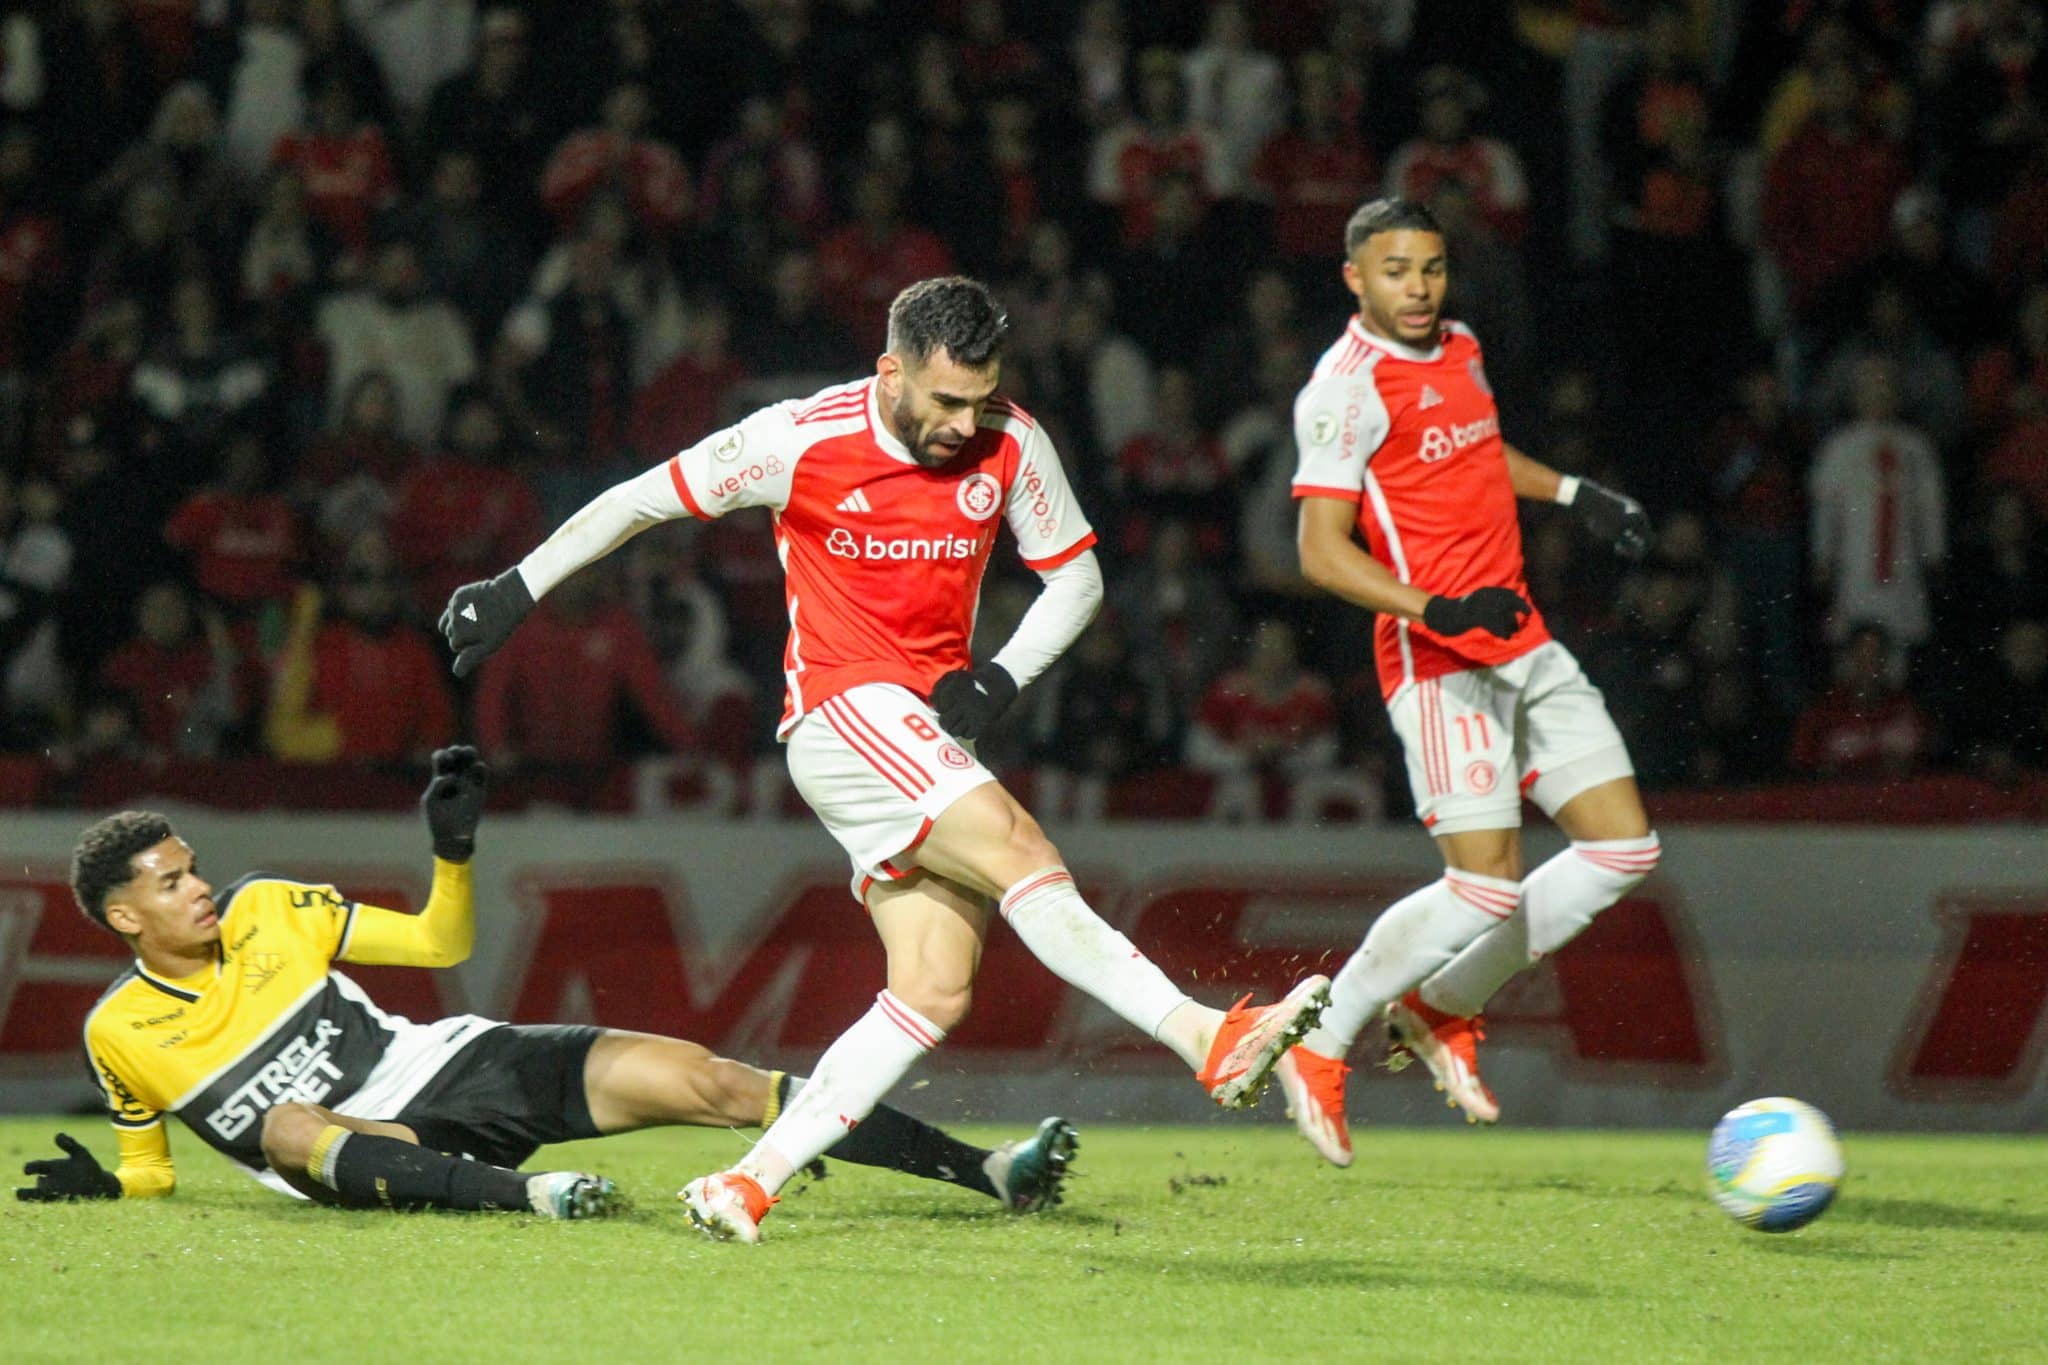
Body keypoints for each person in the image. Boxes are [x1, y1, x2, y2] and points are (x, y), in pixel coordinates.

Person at [441, 276, 1330, 1242]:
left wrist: (1000, 678)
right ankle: (1206, 1035)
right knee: (1022, 848)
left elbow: (1076, 578)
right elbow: (637, 502)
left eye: (978, 399)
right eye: (943, 400)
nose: (961, 422)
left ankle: (746, 1180)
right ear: (889, 370)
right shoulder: (799, 436)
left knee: (936, 985)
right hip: (840, 714)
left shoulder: (1015, 440)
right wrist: (514, 587)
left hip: (927, 734)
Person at [16, 747, 1077, 1221]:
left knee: (705, 1079)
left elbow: (437, 944)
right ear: (123, 918)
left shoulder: (265, 909)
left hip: (444, 1063)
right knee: (289, 1131)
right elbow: (152, 1175)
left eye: (193, 865)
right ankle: (534, 1200)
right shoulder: (122, 1033)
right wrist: (108, 1187)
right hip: (366, 1147)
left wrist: (454, 851)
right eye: (171, 881)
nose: (199, 887)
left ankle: (986, 1174)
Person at [1280, 198, 1661, 1164]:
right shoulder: (1343, 390)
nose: (1419, 287)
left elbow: (1479, 453)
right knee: (1482, 888)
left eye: (1433, 268)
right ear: (1355, 278)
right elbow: (1321, 552)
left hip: (1522, 637)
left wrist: (1579, 492)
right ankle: (1321, 1045)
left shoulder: (1459, 345)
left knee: (1623, 852)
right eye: (1397, 270)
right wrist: (1434, 609)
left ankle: (1441, 1001)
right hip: (1439, 657)